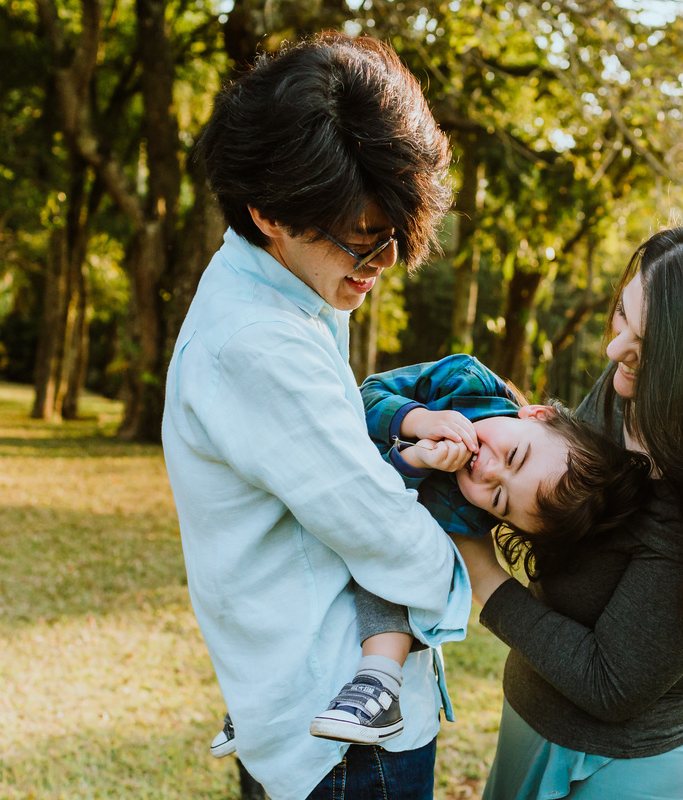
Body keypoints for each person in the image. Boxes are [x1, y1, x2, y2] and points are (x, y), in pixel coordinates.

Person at [162, 33, 467, 800]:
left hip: (301, 717)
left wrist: (397, 427)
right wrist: (485, 574)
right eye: (358, 241)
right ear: (267, 211)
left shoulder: (288, 287)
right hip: (337, 741)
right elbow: (382, 532)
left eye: (392, 237)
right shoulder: (259, 341)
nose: (381, 265)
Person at [452, 215, 683, 800]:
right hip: (528, 720)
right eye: (624, 313)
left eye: (646, 345)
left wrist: (482, 570)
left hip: (625, 771)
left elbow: (612, 684)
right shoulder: (629, 381)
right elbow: (551, 498)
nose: (614, 348)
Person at [213, 353, 650, 749]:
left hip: (379, 545)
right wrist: (418, 421)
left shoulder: (470, 520)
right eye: (514, 454)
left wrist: (415, 467)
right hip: (326, 503)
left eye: (498, 499)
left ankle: (379, 682)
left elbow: (386, 521)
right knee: (291, 588)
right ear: (537, 415)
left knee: (416, 569)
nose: (488, 471)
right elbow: (360, 399)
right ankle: (259, 704)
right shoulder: (464, 383)